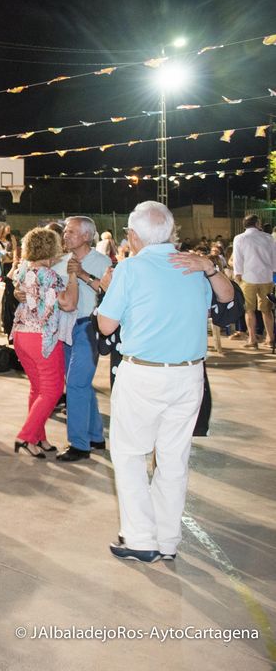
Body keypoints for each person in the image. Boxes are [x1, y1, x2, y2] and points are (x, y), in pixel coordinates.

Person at [97, 201, 234, 563]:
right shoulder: (193, 267)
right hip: (189, 374)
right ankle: (168, 540)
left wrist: (111, 294)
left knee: (129, 455)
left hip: (144, 373)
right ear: (171, 232)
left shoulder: (130, 269)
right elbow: (224, 301)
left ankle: (141, 538)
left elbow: (106, 326)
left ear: (133, 235)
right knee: (174, 459)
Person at [9, 228, 78, 458]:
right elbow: (68, 303)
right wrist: (74, 278)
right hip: (42, 336)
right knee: (53, 389)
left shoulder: (23, 270)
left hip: (21, 334)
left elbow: (20, 291)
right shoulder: (49, 275)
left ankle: (38, 438)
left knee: (38, 388)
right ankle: (25, 436)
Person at [53, 217, 113, 462]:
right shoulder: (60, 262)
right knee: (80, 383)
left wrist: (82, 274)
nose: (66, 235)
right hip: (65, 326)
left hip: (89, 326)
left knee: (76, 384)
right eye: (65, 231)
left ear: (87, 236)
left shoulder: (103, 262)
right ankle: (95, 435)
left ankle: (79, 444)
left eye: (72, 232)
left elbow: (110, 291)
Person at [231, 214, 276, 349]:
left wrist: (237, 274)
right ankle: (270, 338)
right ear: (257, 223)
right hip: (266, 277)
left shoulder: (239, 238)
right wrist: (274, 271)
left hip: (247, 277)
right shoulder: (268, 238)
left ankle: (252, 339)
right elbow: (274, 256)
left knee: (249, 310)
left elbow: (238, 258)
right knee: (267, 310)